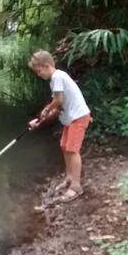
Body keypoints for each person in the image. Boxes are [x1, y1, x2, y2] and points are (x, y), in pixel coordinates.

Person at [27, 50, 92, 202]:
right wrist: (40, 120)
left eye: (38, 70)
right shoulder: (55, 79)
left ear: (47, 65)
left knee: (72, 150)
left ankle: (76, 187)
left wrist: (46, 109)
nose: (38, 74)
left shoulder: (57, 77)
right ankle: (69, 177)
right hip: (71, 119)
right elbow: (58, 107)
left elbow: (58, 101)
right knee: (64, 145)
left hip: (79, 117)